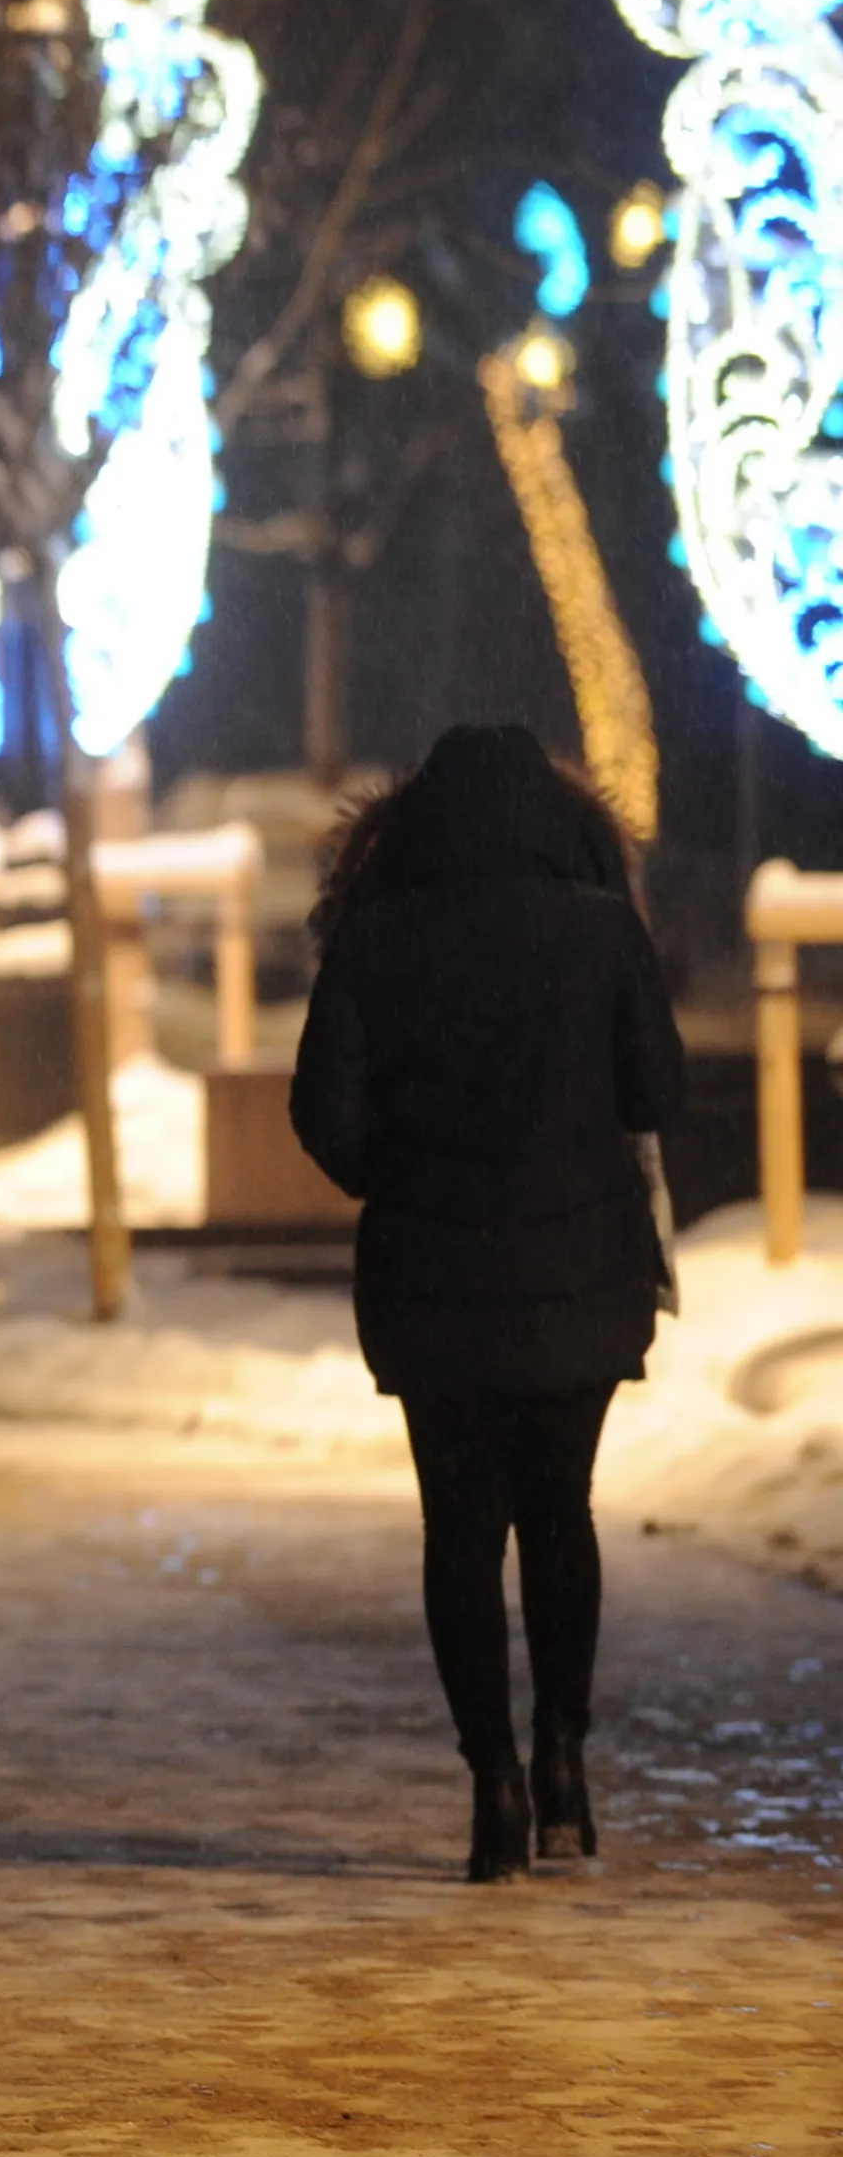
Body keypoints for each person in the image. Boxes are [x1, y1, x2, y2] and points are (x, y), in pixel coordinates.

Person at [291, 725, 681, 1883]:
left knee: (460, 1535)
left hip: (434, 1280)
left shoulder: (374, 940)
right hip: (579, 1276)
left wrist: (395, 1179)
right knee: (563, 1515)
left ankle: (493, 1783)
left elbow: (323, 1113)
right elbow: (656, 1087)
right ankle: (566, 1764)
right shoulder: (603, 930)